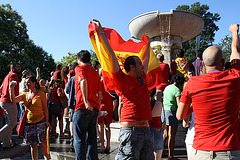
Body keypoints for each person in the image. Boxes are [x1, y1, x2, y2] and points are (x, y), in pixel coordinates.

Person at [92, 19, 154, 160]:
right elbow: (111, 56)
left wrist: (148, 44)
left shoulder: (141, 77)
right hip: (130, 131)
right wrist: (101, 33)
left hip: (146, 129)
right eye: (139, 64)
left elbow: (145, 57)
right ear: (132, 67)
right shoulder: (121, 79)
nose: (143, 66)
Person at [177, 24, 240, 159]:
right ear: (223, 62)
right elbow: (235, 51)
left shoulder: (192, 83)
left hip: (201, 151)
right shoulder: (235, 78)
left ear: (204, 65)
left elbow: (179, 115)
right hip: (228, 151)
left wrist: (194, 106)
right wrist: (234, 33)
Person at [9, 76, 50, 160]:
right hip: (29, 124)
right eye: (25, 83)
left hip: (40, 122)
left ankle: (47, 159)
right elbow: (13, 99)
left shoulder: (41, 94)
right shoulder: (25, 95)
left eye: (28, 82)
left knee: (43, 145)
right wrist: (11, 89)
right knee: (32, 145)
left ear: (34, 83)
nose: (26, 84)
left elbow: (45, 109)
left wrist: (47, 121)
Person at [73, 50, 102, 160]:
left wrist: (86, 101)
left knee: (79, 139)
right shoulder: (95, 72)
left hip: (82, 107)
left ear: (79, 59)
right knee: (92, 139)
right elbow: (99, 92)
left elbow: (83, 81)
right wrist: (98, 107)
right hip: (94, 108)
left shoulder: (79, 68)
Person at [163, 74, 185, 159]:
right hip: (172, 112)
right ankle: (171, 156)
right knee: (172, 135)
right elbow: (179, 104)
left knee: (165, 134)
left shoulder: (167, 87)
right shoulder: (177, 90)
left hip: (164, 111)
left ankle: (161, 151)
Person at [0, 63, 21, 149]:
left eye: (19, 67)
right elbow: (10, 87)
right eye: (17, 67)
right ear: (12, 68)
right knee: (12, 122)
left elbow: (1, 88)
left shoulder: (7, 76)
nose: (19, 68)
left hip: (3, 101)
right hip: (9, 101)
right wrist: (13, 100)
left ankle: (7, 143)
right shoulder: (13, 75)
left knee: (9, 122)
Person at [98, 69, 114, 154]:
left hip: (101, 105)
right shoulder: (110, 82)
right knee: (108, 126)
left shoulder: (100, 82)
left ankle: (102, 145)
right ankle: (108, 144)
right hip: (109, 105)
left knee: (101, 125)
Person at [149, 88, 164, 160]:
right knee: (158, 157)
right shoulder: (159, 104)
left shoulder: (144, 105)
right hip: (157, 129)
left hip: (146, 129)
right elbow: (162, 118)